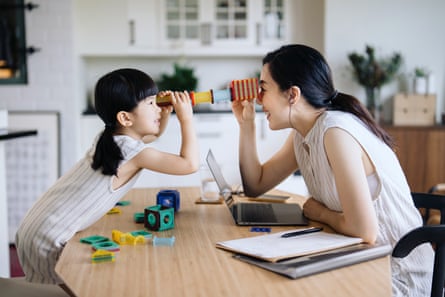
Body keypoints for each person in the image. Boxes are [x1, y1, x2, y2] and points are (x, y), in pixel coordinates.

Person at [231, 44, 434, 296]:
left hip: (396, 275)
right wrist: (246, 125)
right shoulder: (303, 134)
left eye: (263, 89)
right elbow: (255, 184)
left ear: (292, 94)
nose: (258, 98)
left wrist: (322, 212)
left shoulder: (335, 132)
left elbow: (364, 231)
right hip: (360, 260)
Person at [15, 68, 199, 292]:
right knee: (88, 290)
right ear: (125, 117)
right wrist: (186, 119)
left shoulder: (112, 138)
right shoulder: (133, 152)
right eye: (151, 103)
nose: (158, 107)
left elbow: (153, 136)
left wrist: (165, 114)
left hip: (38, 227)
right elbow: (189, 164)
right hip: (47, 238)